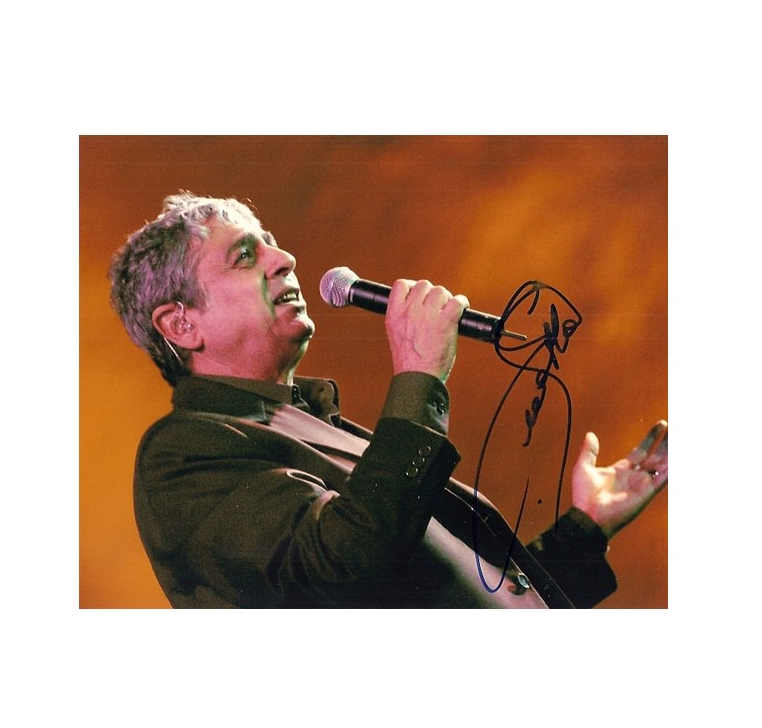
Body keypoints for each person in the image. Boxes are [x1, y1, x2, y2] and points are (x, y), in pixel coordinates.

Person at [108, 191, 668, 609]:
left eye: (272, 244)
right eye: (245, 256)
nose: (284, 259)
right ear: (181, 324)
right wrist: (419, 376)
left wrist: (585, 530)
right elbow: (341, 570)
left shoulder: (314, 425)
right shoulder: (184, 452)